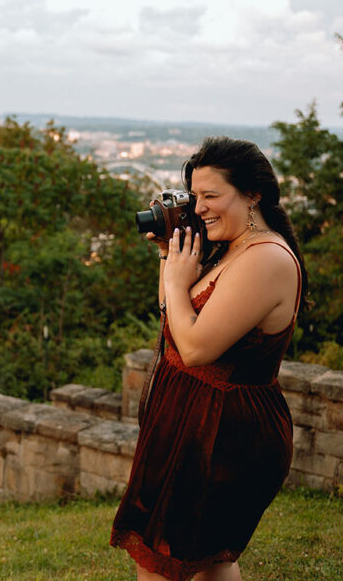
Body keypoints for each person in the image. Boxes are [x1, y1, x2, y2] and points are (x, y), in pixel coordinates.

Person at [111, 137, 308, 581]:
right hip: (192, 420)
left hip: (222, 435)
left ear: (253, 194)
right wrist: (169, 256)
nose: (199, 208)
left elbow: (196, 349)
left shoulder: (266, 259)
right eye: (194, 196)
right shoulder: (232, 246)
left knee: (159, 564)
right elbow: (171, 315)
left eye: (211, 196)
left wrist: (178, 283)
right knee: (210, 566)